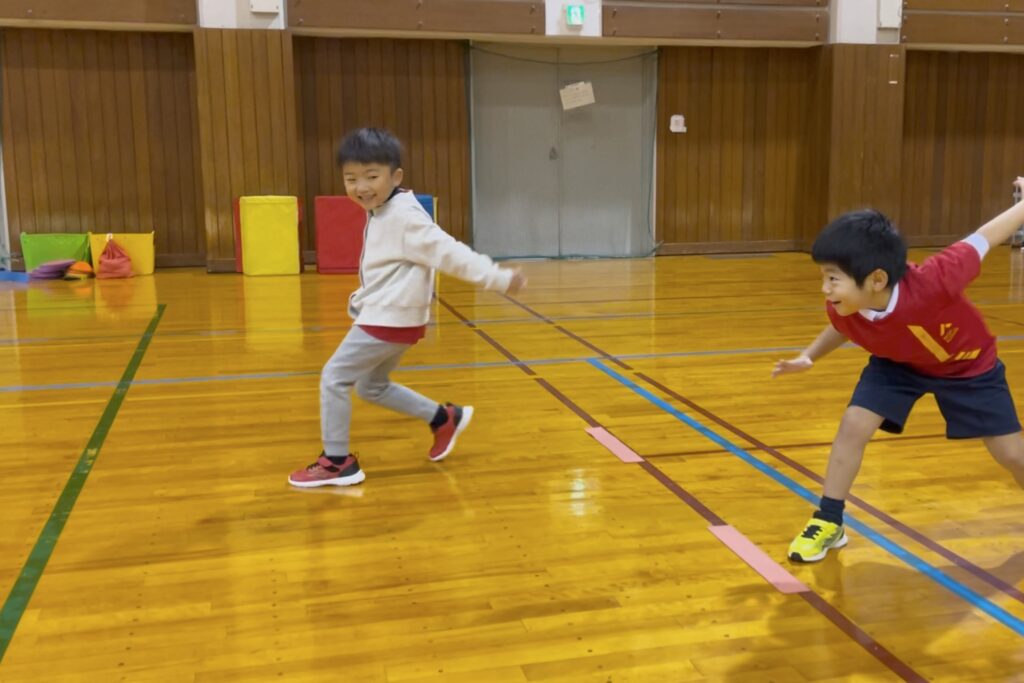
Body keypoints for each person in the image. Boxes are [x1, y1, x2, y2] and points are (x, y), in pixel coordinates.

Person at [774, 178, 1024, 561]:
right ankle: (829, 519)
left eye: (833, 278)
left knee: (1012, 455)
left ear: (876, 279)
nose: (825, 288)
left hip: (969, 368)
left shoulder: (936, 279)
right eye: (824, 276)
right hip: (897, 366)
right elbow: (840, 328)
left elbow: (985, 236)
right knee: (853, 425)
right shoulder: (844, 306)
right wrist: (809, 356)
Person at [289, 128, 526, 488]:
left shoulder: (404, 215)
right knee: (372, 386)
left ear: (395, 176)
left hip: (389, 319)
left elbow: (449, 252)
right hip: (393, 317)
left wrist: (497, 278)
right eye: (351, 179)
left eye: (372, 176)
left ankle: (337, 461)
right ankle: (442, 418)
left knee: (334, 377)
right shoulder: (383, 209)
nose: (361, 187)